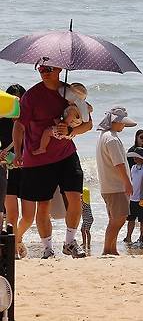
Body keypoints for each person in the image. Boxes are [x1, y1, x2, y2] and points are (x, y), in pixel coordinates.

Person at [13, 63, 92, 259]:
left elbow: (88, 125)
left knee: (76, 198)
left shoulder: (71, 93)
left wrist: (71, 131)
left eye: (49, 69)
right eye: (41, 69)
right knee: (44, 206)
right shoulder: (31, 96)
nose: (45, 73)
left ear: (59, 69)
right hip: (38, 159)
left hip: (66, 154)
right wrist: (17, 152)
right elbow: (19, 126)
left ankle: (70, 242)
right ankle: (47, 248)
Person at [96, 106, 137, 255]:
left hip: (108, 185)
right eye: (122, 122)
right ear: (114, 121)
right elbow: (118, 163)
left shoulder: (104, 136)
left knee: (114, 218)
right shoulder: (111, 139)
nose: (124, 125)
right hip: (115, 186)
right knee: (118, 219)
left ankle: (112, 249)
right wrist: (127, 182)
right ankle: (108, 249)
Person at [0, 84, 26, 257]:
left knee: (29, 215)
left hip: (26, 168)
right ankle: (13, 250)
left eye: (20, 99)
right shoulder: (1, 120)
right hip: (6, 168)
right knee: (12, 213)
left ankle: (17, 239)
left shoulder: (28, 120)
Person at [32, 82, 91, 155]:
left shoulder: (72, 111)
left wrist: (58, 120)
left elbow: (64, 123)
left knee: (47, 132)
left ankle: (42, 148)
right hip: (71, 130)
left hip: (64, 131)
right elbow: (89, 110)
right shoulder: (82, 108)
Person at [124, 147, 143, 247]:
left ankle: (141, 238)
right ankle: (128, 237)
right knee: (131, 219)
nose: (134, 158)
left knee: (142, 220)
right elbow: (131, 181)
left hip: (141, 198)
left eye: (137, 157)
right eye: (134, 157)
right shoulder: (133, 167)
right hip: (132, 198)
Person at [80, 187, 93, 251]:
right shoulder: (85, 202)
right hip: (86, 219)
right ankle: (84, 243)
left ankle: (88, 244)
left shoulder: (85, 203)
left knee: (87, 231)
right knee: (82, 230)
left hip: (89, 218)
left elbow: (81, 209)